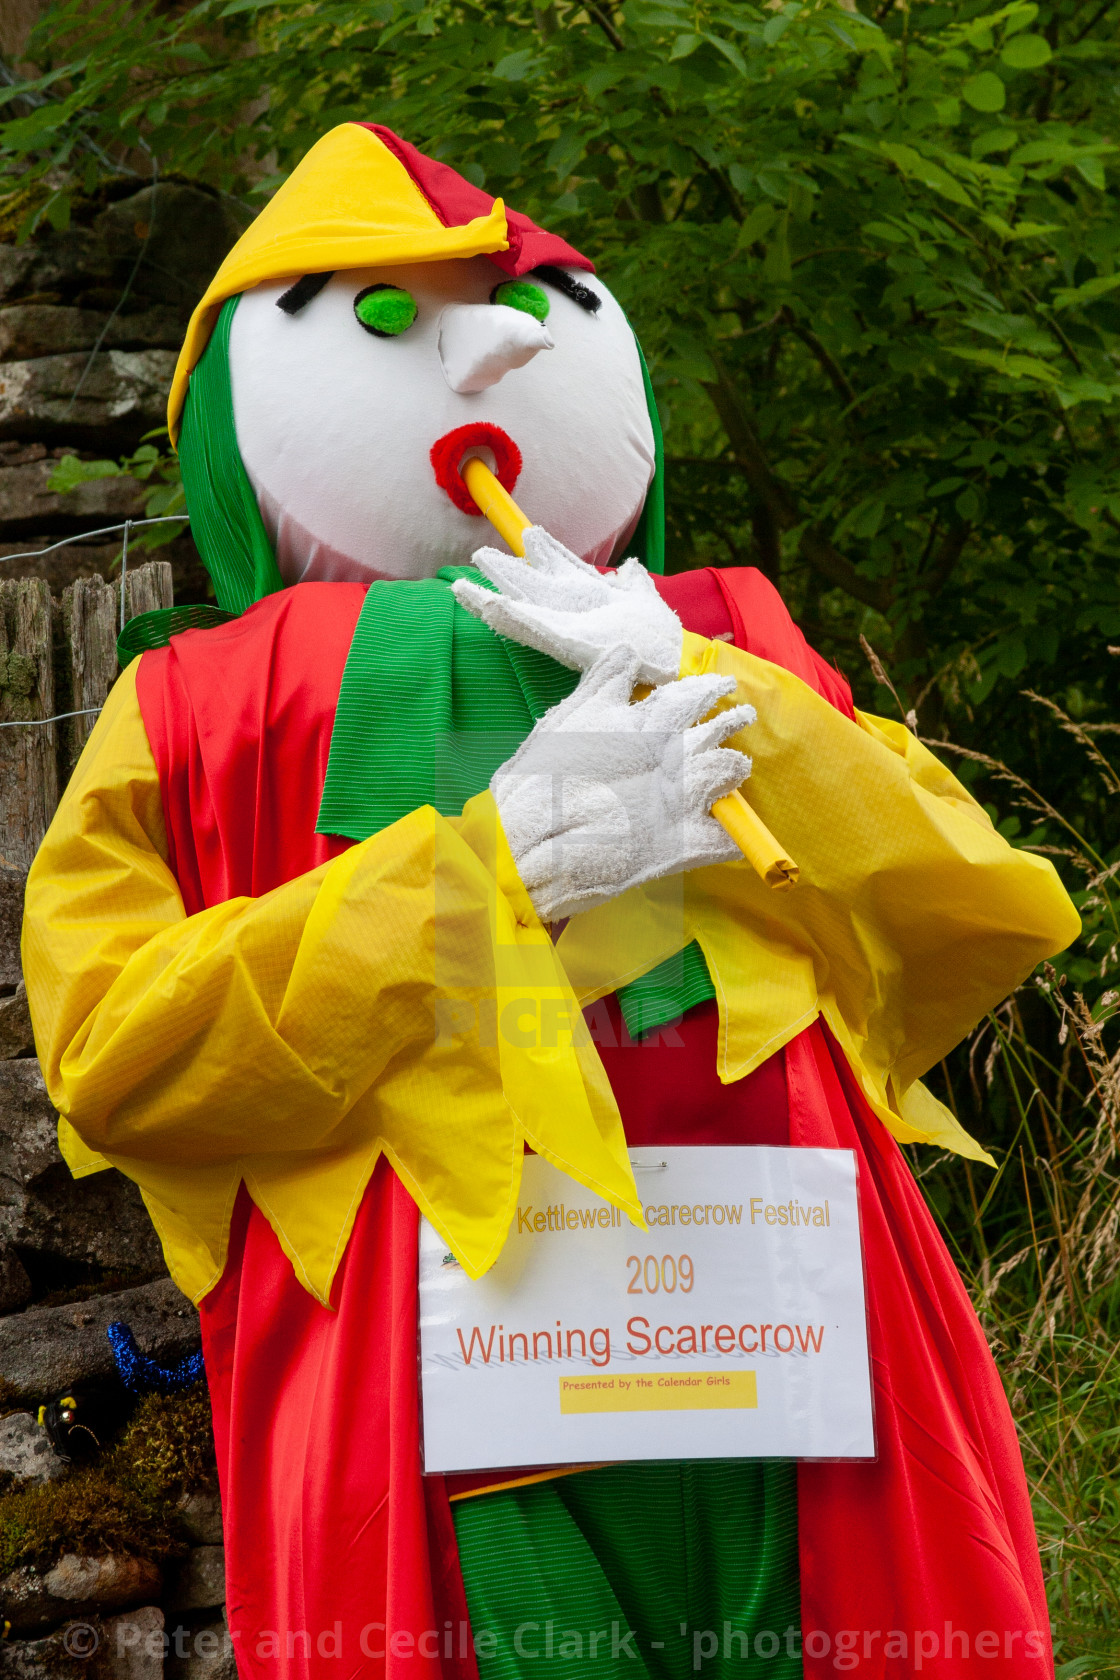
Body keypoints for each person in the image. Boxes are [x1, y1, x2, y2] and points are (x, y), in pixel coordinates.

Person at [23, 123, 1078, 1680]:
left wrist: (720, 696)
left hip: (803, 1359)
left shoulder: (734, 636)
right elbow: (116, 1051)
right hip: (426, 1381)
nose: (500, 348)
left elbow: (966, 912)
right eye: (385, 316)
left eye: (550, 306)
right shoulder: (203, 706)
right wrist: (478, 880)